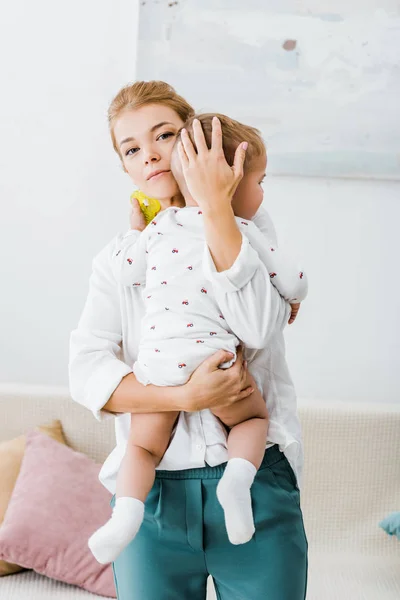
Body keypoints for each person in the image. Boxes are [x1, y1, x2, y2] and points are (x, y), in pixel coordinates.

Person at [69, 80, 308, 599]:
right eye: (132, 149)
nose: (150, 156)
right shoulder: (123, 256)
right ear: (127, 168)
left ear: (197, 143)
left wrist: (216, 207)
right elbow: (87, 372)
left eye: (164, 136)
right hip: (151, 493)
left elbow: (259, 328)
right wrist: (185, 398)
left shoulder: (246, 228)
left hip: (253, 479)